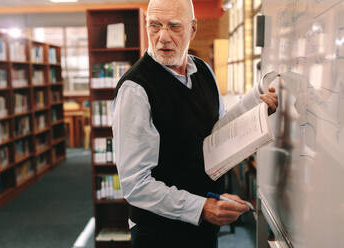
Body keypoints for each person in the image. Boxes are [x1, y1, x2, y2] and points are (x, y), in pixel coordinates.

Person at [112, 0, 278, 247]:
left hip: (204, 221)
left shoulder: (203, 70)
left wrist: (259, 103)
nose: (163, 38)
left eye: (174, 27)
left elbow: (217, 133)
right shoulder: (135, 89)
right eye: (154, 26)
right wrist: (202, 207)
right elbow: (135, 184)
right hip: (159, 232)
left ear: (193, 28)